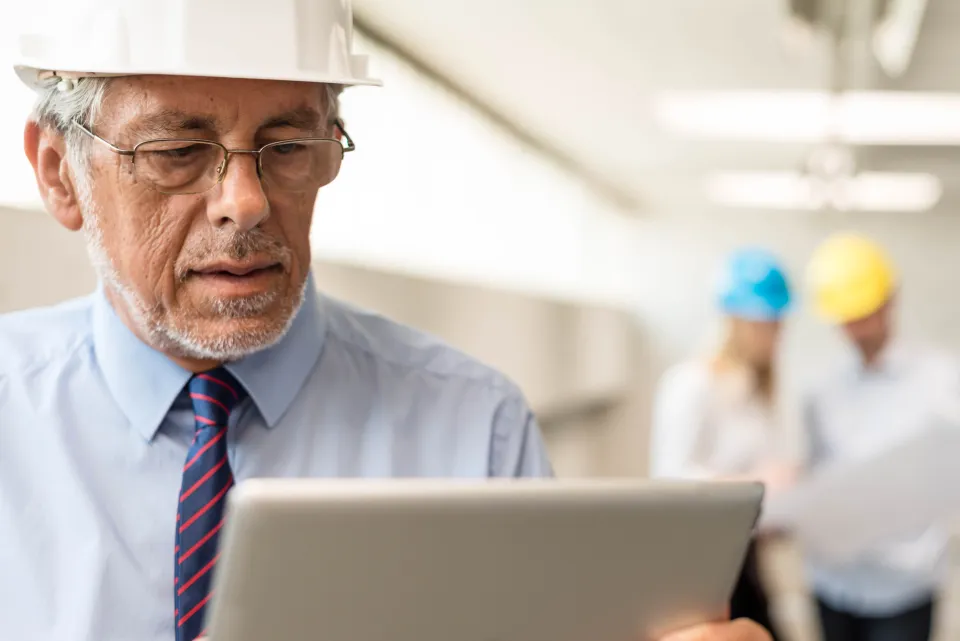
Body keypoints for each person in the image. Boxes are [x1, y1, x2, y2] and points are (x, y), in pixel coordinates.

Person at [0, 2, 771, 641]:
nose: (247, 200)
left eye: (289, 144)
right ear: (58, 174)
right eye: (176, 149)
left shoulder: (474, 428)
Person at [801, 232, 958, 641]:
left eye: (863, 315)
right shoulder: (822, 389)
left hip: (903, 587)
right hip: (834, 582)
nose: (854, 330)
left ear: (890, 300)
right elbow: (818, 474)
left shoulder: (940, 380)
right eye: (845, 319)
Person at [650, 248, 801, 640]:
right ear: (738, 323)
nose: (777, 334)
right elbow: (671, 480)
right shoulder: (691, 383)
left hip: (745, 553)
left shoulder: (757, 387)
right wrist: (754, 483)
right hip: (700, 561)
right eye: (768, 324)